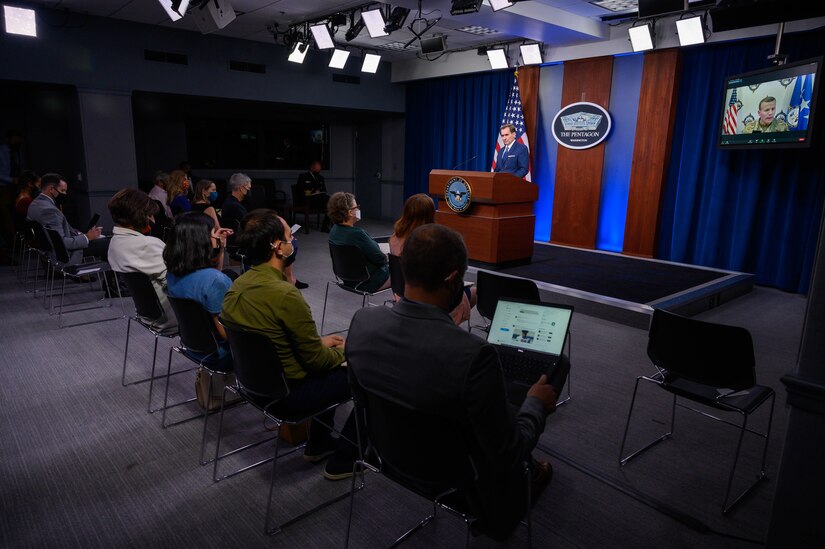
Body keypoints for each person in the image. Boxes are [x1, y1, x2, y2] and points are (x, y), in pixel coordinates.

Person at [346, 224, 556, 541]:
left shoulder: (362, 322)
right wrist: (536, 405)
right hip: (455, 479)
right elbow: (507, 452)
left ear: (404, 267)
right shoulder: (474, 354)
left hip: (387, 458)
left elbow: (360, 401)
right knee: (519, 434)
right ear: (452, 279)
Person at [221, 209, 359, 480]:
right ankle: (345, 458)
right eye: (288, 237)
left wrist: (319, 343)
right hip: (289, 395)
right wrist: (345, 352)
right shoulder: (285, 295)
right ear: (277, 247)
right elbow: (316, 362)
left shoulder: (236, 286)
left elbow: (269, 341)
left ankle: (318, 445)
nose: (293, 241)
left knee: (329, 353)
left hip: (253, 387)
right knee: (364, 373)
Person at [389, 193, 477, 325]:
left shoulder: (394, 238)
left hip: (402, 293)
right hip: (428, 299)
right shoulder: (432, 244)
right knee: (475, 291)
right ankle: (446, 327)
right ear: (430, 213)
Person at [164, 212, 234, 368]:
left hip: (194, 346)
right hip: (219, 355)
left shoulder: (173, 273)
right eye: (212, 233)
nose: (216, 235)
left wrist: (220, 248)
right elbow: (229, 335)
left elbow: (212, 274)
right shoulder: (215, 281)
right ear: (200, 241)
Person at [107, 188, 177, 334]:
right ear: (140, 215)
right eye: (150, 214)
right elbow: (177, 285)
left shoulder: (115, 243)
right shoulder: (148, 244)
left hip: (149, 316)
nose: (153, 219)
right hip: (173, 318)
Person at [27, 173, 109, 263]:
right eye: (62, 191)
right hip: (66, 254)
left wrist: (80, 234)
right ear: (51, 189)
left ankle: (89, 275)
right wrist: (87, 237)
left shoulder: (35, 203)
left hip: (53, 250)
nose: (65, 194)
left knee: (103, 239)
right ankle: (112, 276)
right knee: (109, 243)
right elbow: (62, 243)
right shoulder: (49, 211)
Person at [327, 191, 389, 293]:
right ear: (350, 212)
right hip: (366, 282)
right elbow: (380, 259)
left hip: (345, 278)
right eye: (356, 207)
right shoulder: (358, 234)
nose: (358, 209)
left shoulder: (334, 230)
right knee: (403, 270)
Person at [0, 130, 24, 253]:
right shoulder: (2, 151)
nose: (18, 142)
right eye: (15, 139)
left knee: (16, 215)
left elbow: (19, 167)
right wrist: (11, 179)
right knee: (6, 216)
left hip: (16, 187)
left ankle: (17, 243)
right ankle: (12, 244)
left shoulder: (17, 152)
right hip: (3, 187)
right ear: (9, 139)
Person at [296, 161, 331, 232]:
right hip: (307, 200)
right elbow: (301, 191)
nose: (318, 171)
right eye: (316, 169)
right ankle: (325, 227)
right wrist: (313, 192)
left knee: (332, 202)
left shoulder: (320, 177)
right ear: (312, 168)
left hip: (319, 199)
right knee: (330, 201)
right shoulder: (303, 176)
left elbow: (324, 189)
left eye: (319, 170)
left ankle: (325, 226)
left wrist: (319, 192)